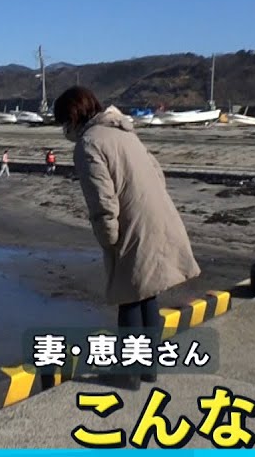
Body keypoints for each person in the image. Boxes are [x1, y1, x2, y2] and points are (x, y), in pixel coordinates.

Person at [53, 86, 201, 389]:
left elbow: (102, 199)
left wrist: (108, 238)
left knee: (129, 297)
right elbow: (158, 173)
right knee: (148, 294)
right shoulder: (124, 131)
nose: (63, 129)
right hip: (158, 217)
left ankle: (128, 374)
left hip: (132, 224)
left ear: (72, 116)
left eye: (63, 121)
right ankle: (148, 369)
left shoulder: (89, 144)